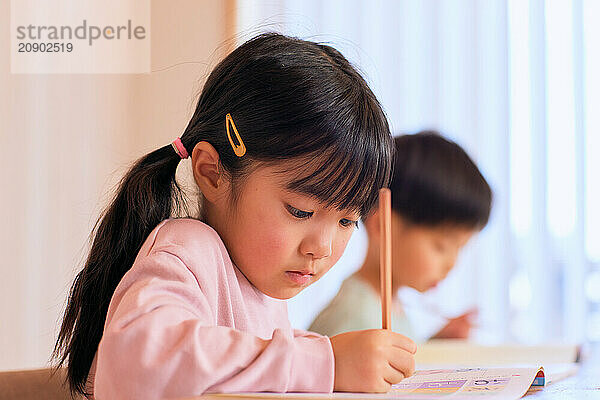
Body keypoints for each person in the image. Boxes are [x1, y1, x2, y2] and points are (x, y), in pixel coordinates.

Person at [53, 33, 416, 399]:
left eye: (346, 222)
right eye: (300, 210)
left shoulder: (259, 283)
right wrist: (324, 363)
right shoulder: (188, 250)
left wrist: (324, 354)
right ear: (212, 172)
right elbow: (138, 360)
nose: (321, 248)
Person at [310, 132, 492, 341]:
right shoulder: (354, 320)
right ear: (381, 225)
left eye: (460, 248)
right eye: (440, 246)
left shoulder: (389, 307)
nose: (452, 264)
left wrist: (438, 343)